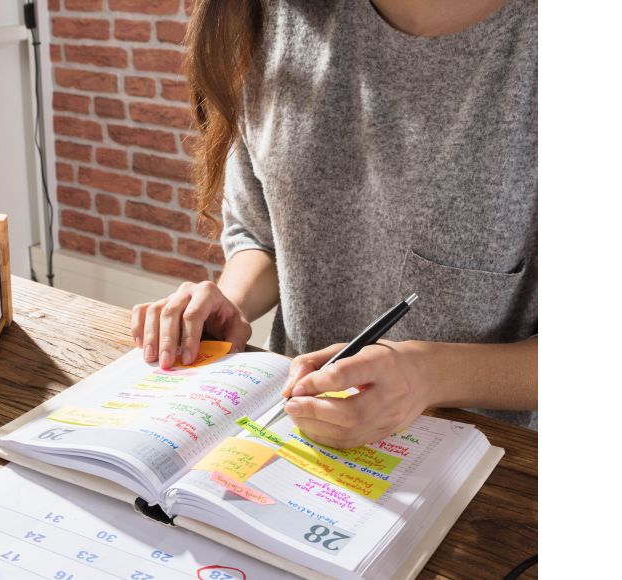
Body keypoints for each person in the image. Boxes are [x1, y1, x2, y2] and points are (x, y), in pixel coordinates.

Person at [131, 0, 537, 449]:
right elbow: (261, 235)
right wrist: (231, 302)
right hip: (292, 431)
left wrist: (429, 373)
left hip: (488, 465)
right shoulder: (271, 16)